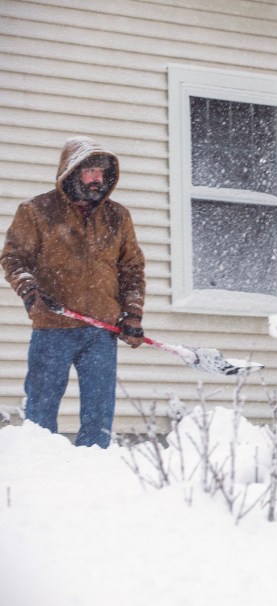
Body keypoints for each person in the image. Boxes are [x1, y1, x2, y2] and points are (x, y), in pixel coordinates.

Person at [1, 136, 146, 448]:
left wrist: (132, 314)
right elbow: (13, 258)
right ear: (70, 171)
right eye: (89, 171)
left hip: (101, 331)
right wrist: (31, 294)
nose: (97, 179)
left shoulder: (117, 217)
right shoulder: (37, 211)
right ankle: (38, 463)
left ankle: (92, 472)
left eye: (101, 173)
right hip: (53, 326)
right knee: (41, 408)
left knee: (99, 413)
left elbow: (131, 269)